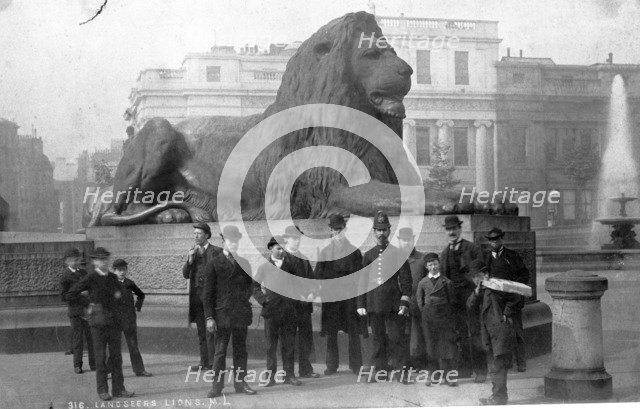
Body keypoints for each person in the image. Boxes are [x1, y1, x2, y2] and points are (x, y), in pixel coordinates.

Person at [68, 247, 134, 401]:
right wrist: (89, 304)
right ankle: (102, 390)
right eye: (100, 259)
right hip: (98, 324)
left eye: (106, 259)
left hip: (114, 323)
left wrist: (118, 299)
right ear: (94, 262)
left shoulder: (112, 277)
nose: (103, 262)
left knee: (117, 357)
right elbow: (71, 294)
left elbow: (120, 295)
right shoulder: (90, 278)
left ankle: (119, 389)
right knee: (100, 357)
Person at [357, 211, 412, 382]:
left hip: (393, 304)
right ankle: (380, 371)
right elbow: (362, 281)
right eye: (378, 230)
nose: (381, 234)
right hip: (374, 304)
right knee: (378, 339)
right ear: (374, 231)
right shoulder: (368, 255)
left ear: (389, 230)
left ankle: (401, 372)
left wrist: (404, 301)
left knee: (397, 338)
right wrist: (361, 303)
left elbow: (406, 280)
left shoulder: (397, 253)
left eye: (384, 230)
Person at [204, 225, 258, 397]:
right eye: (230, 240)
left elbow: (250, 286)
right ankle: (217, 386)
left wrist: (241, 298)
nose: (233, 244)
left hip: (240, 313)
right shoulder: (214, 263)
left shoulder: (245, 263)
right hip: (222, 315)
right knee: (220, 352)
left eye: (236, 241)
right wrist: (209, 317)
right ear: (223, 241)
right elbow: (207, 294)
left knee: (241, 351)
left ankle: (241, 384)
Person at [315, 215, 367, 375]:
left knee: (353, 333)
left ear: (344, 230)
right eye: (334, 229)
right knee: (331, 333)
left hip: (350, 300)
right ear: (330, 231)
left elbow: (360, 278)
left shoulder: (354, 252)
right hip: (331, 301)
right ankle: (332, 365)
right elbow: (317, 276)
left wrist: (359, 302)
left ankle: (356, 365)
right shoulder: (324, 252)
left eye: (340, 229)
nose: (337, 233)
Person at [467, 259, 521, 405]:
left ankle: (499, 398)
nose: (475, 280)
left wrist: (506, 313)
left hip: (500, 331)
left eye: (477, 276)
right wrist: (476, 291)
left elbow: (516, 297)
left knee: (498, 366)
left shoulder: (496, 286)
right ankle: (497, 396)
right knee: (494, 366)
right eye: (473, 278)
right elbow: (470, 305)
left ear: (485, 274)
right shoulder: (481, 290)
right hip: (490, 333)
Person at [439, 215, 486, 381]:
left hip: (470, 296)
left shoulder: (472, 248)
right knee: (460, 334)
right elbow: (443, 278)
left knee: (475, 332)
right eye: (448, 229)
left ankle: (480, 371)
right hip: (454, 300)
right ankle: (465, 369)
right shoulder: (444, 253)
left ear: (460, 229)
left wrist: (477, 292)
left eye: (454, 228)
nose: (451, 232)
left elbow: (480, 273)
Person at [253, 236, 303, 387]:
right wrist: (263, 300)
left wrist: (294, 301)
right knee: (271, 346)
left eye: (282, 248)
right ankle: (270, 376)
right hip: (271, 312)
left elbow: (298, 285)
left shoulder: (291, 266)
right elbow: (254, 286)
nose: (281, 251)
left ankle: (289, 375)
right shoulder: (264, 266)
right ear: (270, 249)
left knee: (289, 345)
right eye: (278, 248)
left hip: (289, 311)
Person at [484, 227, 530, 372]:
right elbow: (481, 277)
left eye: (497, 239)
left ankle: (521, 362)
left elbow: (524, 275)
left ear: (502, 240)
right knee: (499, 333)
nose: (494, 242)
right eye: (491, 240)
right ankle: (504, 363)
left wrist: (512, 287)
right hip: (495, 301)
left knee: (516, 331)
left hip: (512, 298)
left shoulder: (512, 256)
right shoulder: (486, 257)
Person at [182, 223, 222, 371]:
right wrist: (190, 261)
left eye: (199, 233)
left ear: (207, 235)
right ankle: (203, 362)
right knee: (201, 331)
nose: (196, 236)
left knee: (210, 331)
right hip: (197, 298)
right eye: (194, 234)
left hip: (211, 298)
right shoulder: (192, 251)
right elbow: (186, 274)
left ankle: (213, 363)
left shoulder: (217, 251)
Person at [282, 225, 320, 378]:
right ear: (286, 239)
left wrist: (312, 293)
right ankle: (288, 373)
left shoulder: (303, 258)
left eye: (298, 238)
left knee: (305, 338)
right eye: (293, 238)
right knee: (289, 339)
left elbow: (312, 279)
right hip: (288, 306)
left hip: (304, 307)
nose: (296, 241)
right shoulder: (281, 257)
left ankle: (305, 369)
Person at [416, 253, 458, 387]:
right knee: (430, 346)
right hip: (428, 318)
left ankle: (448, 376)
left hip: (444, 317)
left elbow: (452, 301)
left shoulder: (447, 282)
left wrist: (447, 315)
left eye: (435, 264)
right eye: (430, 265)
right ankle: (433, 375)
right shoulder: (422, 282)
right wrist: (426, 312)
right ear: (426, 267)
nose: (433, 267)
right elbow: (419, 301)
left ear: (439, 264)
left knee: (446, 346)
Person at [109, 259, 152, 377]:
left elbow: (141, 295)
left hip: (129, 320)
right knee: (114, 348)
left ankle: (139, 370)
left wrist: (137, 307)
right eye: (119, 270)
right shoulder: (110, 284)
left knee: (133, 346)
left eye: (124, 270)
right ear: (114, 271)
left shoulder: (129, 283)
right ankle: (109, 371)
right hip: (115, 321)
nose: (122, 272)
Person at [60, 247, 95, 373]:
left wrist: (89, 299)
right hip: (75, 311)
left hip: (88, 310)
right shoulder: (65, 276)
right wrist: (82, 295)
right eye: (72, 260)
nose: (75, 262)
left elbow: (90, 289)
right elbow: (64, 296)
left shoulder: (84, 273)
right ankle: (77, 365)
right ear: (66, 262)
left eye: (77, 259)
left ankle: (94, 363)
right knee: (78, 339)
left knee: (91, 337)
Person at [396, 227, 426, 371]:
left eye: (409, 240)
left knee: (417, 336)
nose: (406, 243)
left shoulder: (422, 259)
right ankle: (402, 364)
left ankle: (418, 363)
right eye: (403, 240)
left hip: (417, 305)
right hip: (398, 305)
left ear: (413, 240)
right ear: (399, 241)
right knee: (400, 335)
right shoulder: (393, 259)